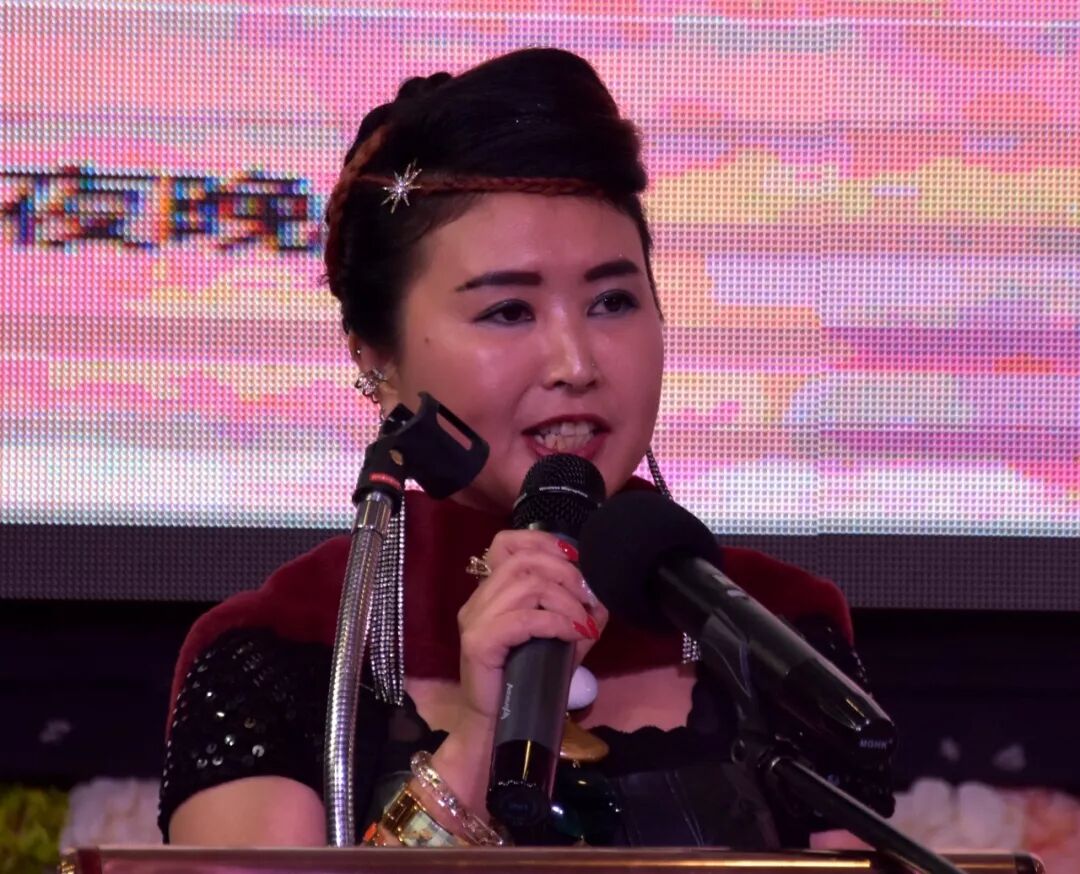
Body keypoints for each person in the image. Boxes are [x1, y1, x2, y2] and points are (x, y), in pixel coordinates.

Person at [159, 47, 888, 849]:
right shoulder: (289, 651)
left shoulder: (776, 635)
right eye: (509, 312)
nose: (576, 364)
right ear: (376, 357)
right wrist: (480, 738)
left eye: (613, 301)